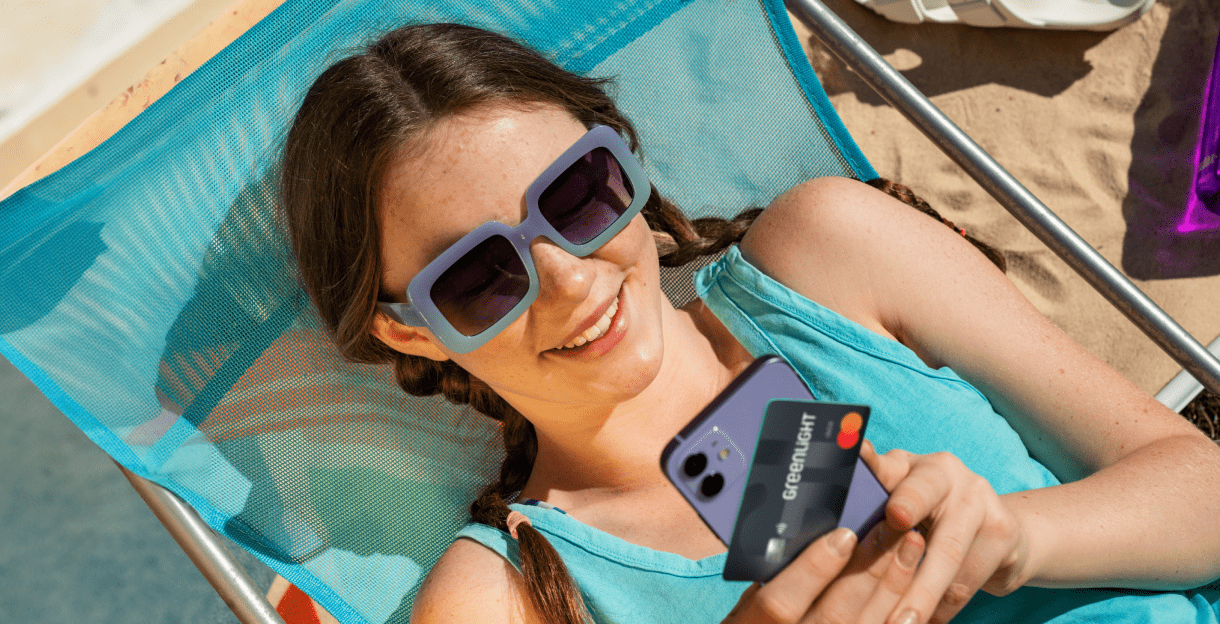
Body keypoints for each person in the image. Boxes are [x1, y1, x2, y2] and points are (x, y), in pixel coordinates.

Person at [278, 22, 1220, 624]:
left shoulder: (824, 251)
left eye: (576, 197)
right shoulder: (503, 599)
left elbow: (1201, 488)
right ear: (408, 330)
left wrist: (1018, 540)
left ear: (627, 165)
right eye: (482, 277)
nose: (567, 279)